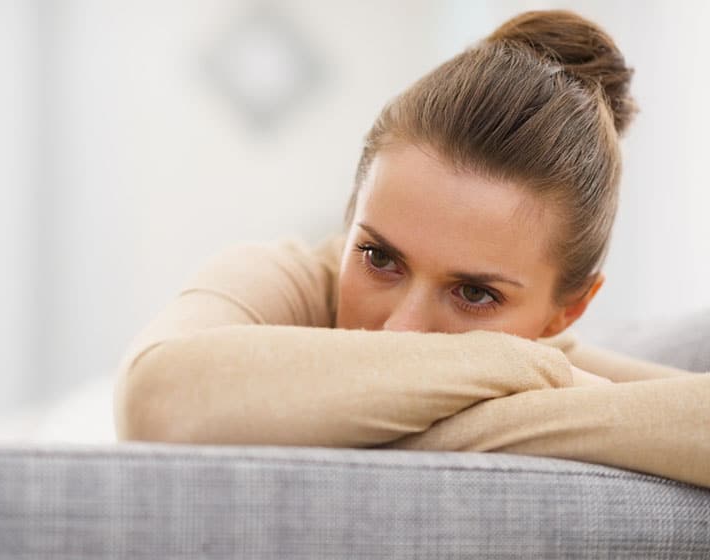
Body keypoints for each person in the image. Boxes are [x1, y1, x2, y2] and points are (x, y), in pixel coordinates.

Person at [113, 10, 710, 488]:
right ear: (351, 220)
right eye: (378, 257)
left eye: (474, 294)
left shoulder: (552, 348)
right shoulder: (284, 276)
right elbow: (156, 404)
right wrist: (522, 370)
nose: (400, 331)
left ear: (566, 312)